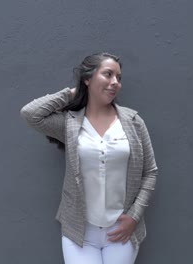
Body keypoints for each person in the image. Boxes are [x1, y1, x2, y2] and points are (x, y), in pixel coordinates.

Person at [20, 52, 158, 264]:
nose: (115, 83)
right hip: (79, 233)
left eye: (119, 78)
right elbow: (31, 114)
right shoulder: (70, 124)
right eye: (108, 75)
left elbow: (150, 172)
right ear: (88, 78)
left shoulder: (133, 122)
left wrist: (134, 217)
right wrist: (72, 93)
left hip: (120, 231)